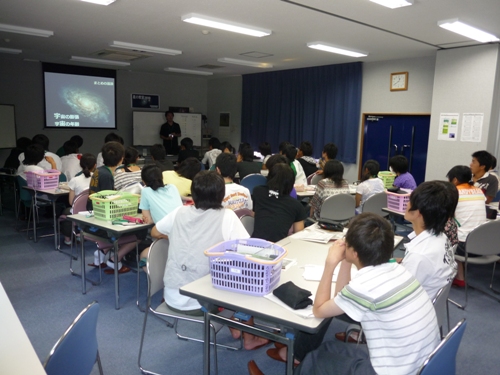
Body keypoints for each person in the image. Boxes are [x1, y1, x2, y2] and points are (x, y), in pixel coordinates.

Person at [283, 213, 440, 375]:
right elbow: (341, 300)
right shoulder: (398, 269)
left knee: (315, 360)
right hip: (421, 362)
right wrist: (345, 260)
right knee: (329, 348)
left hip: (395, 370)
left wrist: (330, 264)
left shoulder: (365, 286)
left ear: (355, 253)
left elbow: (319, 310)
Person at [151, 171, 249, 314]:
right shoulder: (226, 216)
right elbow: (246, 250)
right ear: (221, 195)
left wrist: (175, 237)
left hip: (172, 296)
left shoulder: (179, 212)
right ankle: (238, 325)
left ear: (193, 194)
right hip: (202, 302)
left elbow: (154, 232)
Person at [401, 181, 458, 299]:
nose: (407, 204)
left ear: (417, 213)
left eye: (410, 201)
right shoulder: (441, 238)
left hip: (411, 310)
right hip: (428, 303)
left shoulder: (419, 255)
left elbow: (397, 297)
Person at [87, 141, 137, 274]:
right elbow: (109, 201)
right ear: (122, 158)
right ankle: (116, 261)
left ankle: (100, 255)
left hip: (93, 212)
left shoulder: (100, 170)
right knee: (137, 231)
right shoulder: (108, 175)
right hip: (100, 217)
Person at [447, 165, 487, 287]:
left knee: (440, 235)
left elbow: (445, 215)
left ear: (454, 180)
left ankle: (444, 275)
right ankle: (459, 277)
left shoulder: (454, 193)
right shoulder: (479, 191)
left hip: (464, 246)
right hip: (484, 244)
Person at [137, 164, 183, 268]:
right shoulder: (172, 187)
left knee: (143, 256)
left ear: (143, 181)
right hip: (183, 233)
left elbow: (147, 220)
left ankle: (155, 282)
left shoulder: (146, 191)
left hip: (166, 239)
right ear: (162, 177)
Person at [252, 163, 307, 242]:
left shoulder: (258, 191)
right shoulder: (296, 205)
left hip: (254, 244)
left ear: (269, 177)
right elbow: (299, 235)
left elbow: (255, 214)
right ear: (291, 183)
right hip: (279, 247)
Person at [60, 153, 96, 245]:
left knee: (67, 212)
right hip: (95, 210)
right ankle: (83, 233)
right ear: (95, 165)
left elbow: (72, 202)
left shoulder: (75, 180)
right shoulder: (97, 178)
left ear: (80, 165)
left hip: (78, 212)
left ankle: (67, 239)